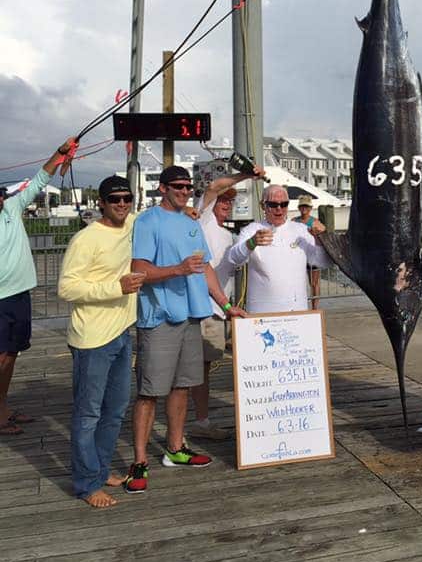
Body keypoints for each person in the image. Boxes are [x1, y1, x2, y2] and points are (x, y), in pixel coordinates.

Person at [125, 166, 245, 494]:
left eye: (188, 187)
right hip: (160, 318)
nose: (184, 191)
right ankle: (139, 461)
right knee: (149, 392)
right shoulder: (148, 221)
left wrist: (224, 304)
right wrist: (178, 269)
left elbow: (204, 266)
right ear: (162, 188)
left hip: (193, 316)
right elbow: (140, 271)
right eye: (178, 186)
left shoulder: (191, 222)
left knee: (182, 387)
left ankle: (175, 449)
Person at [58, 176, 145, 508]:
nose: (122, 204)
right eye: (115, 199)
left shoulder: (132, 225)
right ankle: (85, 484)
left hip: (122, 333)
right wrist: (115, 288)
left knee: (115, 410)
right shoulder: (85, 239)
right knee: (88, 413)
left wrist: (192, 212)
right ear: (101, 203)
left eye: (127, 198)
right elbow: (66, 289)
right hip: (92, 338)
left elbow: (163, 215)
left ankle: (100, 469)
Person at [0, 138, 76, 435]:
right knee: (2, 356)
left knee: (12, 353)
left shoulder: (11, 208)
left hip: (20, 293)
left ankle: (3, 406)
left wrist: (58, 154)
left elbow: (40, 178)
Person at [189, 166, 264, 440]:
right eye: (223, 200)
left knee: (204, 368)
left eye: (230, 201)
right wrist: (247, 175)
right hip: (202, 308)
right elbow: (213, 187)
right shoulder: (203, 220)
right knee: (195, 368)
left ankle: (200, 419)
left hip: (219, 311)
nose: (226, 204)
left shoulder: (228, 235)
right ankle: (198, 421)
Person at [228, 184, 331, 313]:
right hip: (261, 312)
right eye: (273, 204)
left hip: (297, 310)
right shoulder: (252, 230)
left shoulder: (302, 230)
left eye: (284, 204)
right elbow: (233, 259)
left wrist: (320, 240)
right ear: (263, 206)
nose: (279, 209)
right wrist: (251, 243)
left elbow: (322, 262)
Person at [293, 194, 322, 310]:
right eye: (302, 206)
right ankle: (296, 306)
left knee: (314, 283)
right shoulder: (294, 221)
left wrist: (317, 234)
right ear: (299, 208)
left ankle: (315, 308)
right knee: (295, 282)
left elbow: (324, 236)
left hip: (312, 256)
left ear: (310, 208)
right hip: (298, 256)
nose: (304, 209)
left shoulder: (315, 222)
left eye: (306, 206)